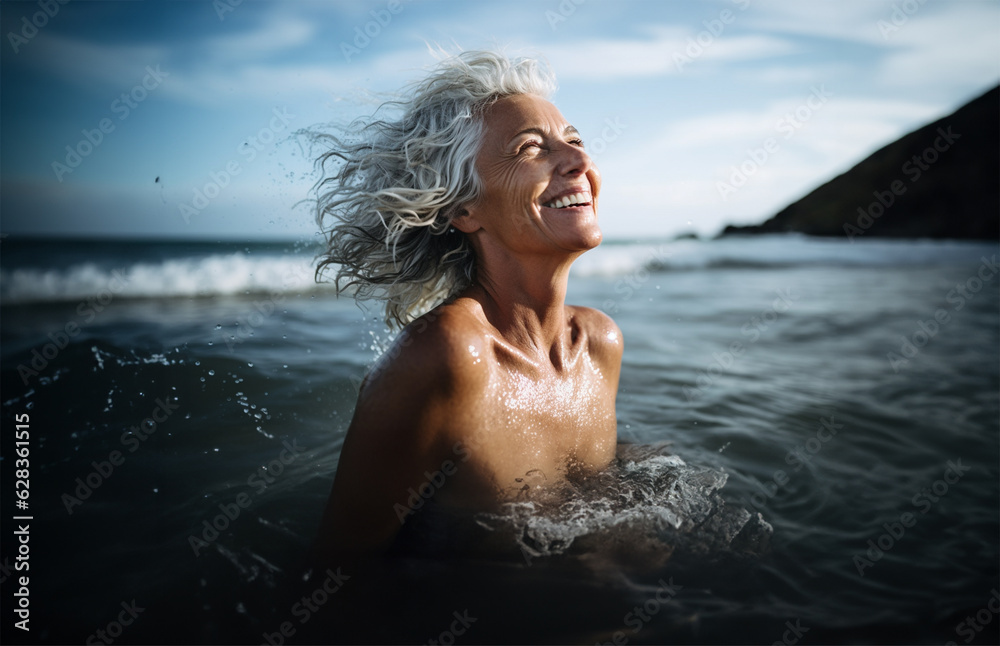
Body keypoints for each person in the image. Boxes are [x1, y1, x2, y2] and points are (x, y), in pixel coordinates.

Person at [312, 50, 622, 560]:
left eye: (575, 141)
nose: (580, 162)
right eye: (529, 149)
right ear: (463, 208)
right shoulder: (449, 354)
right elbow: (336, 571)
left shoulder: (599, 344)